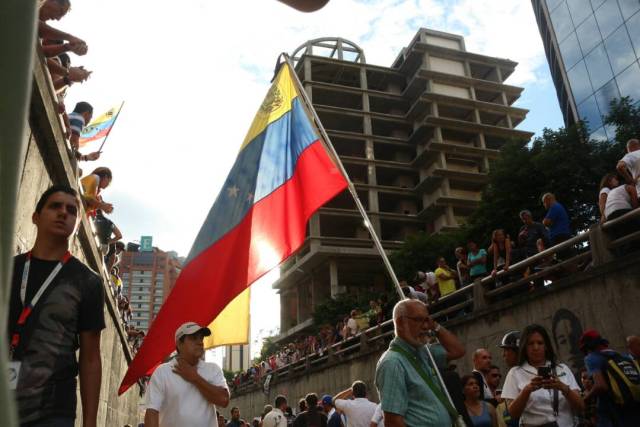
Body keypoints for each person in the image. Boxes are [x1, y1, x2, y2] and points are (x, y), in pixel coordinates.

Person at [7, 185, 105, 426]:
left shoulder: (89, 282)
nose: (63, 213)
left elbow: (91, 357)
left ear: (77, 225)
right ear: (35, 217)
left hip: (52, 411)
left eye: (72, 210)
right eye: (55, 206)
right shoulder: (8, 269)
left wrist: (90, 422)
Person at [375, 299, 465, 427]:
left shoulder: (425, 353)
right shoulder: (393, 363)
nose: (425, 326)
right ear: (400, 322)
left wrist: (435, 326)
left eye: (427, 320)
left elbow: (458, 351)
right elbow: (393, 422)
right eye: (418, 320)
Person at [144, 322, 230, 427]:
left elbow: (224, 400)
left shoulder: (213, 369)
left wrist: (195, 378)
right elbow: (151, 412)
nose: (200, 342)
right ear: (179, 344)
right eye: (194, 338)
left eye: (201, 338)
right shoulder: (162, 372)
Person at [501, 324, 584, 427]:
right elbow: (511, 415)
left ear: (546, 346)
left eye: (540, 343)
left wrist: (562, 387)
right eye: (530, 344)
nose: (536, 347)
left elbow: (581, 406)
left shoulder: (562, 368)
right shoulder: (515, 373)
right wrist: (527, 390)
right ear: (524, 347)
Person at [580, 329, 640, 427]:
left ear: (588, 348)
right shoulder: (622, 357)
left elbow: (600, 386)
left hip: (613, 415)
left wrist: (585, 398)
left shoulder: (592, 357)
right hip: (634, 411)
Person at [497, 331, 520, 427]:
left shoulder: (514, 372)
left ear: (516, 351)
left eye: (505, 350)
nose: (503, 355)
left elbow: (510, 416)